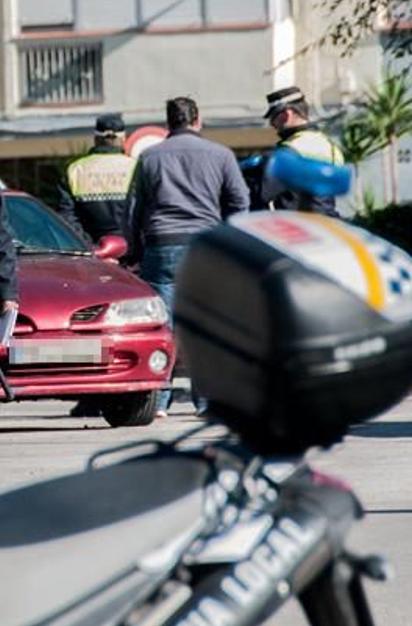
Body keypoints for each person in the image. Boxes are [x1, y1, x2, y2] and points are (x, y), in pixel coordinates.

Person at [122, 97, 249, 415]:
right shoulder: (220, 155)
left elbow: (134, 210)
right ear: (198, 120)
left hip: (161, 246)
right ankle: (205, 401)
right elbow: (240, 200)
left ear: (168, 123)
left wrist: (135, 251)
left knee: (162, 327)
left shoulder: (150, 157)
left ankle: (160, 400)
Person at [259, 86, 345, 216]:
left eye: (273, 117)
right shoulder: (329, 145)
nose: (272, 123)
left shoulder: (289, 150)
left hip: (299, 228)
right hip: (329, 226)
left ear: (286, 114)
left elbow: (263, 194)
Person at [56, 114, 136, 243]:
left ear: (95, 139)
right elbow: (147, 211)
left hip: (93, 253)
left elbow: (67, 217)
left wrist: (89, 246)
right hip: (132, 251)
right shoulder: (136, 167)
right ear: (123, 139)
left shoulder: (74, 169)